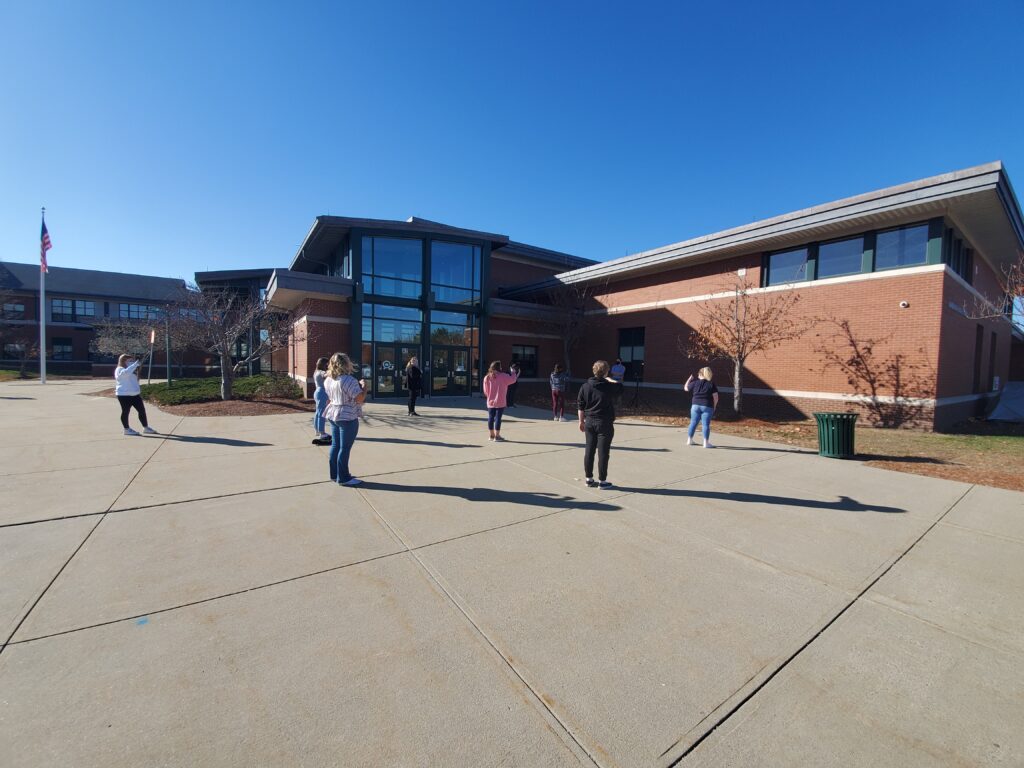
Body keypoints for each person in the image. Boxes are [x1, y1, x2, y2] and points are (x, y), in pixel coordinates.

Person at [576, 360, 623, 488]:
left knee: (589, 450)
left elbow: (580, 406)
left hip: (590, 422)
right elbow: (620, 387)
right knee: (603, 452)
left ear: (594, 370)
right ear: (606, 371)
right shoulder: (609, 386)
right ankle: (602, 481)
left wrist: (581, 421)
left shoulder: (585, 386)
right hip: (605, 423)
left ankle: (589, 478)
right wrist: (610, 379)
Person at [324, 352, 367, 486]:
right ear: (346, 364)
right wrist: (365, 387)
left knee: (336, 446)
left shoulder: (328, 379)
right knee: (345, 448)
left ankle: (335, 474)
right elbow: (359, 398)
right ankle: (343, 478)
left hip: (333, 414)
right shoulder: (349, 380)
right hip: (347, 416)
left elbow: (330, 398)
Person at [114, 353, 157, 436]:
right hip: (124, 395)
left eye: (132, 361)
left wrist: (137, 368)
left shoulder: (132, 370)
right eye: (130, 361)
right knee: (125, 411)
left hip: (135, 394)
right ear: (124, 360)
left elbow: (133, 380)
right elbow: (124, 374)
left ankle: (146, 427)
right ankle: (126, 429)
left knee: (141, 410)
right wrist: (134, 365)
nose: (131, 362)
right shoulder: (119, 369)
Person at [482, 360, 519, 442]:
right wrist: (513, 372)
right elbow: (513, 380)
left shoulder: (487, 377)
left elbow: (485, 391)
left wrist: (490, 396)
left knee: (491, 417)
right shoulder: (503, 376)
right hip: (500, 400)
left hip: (490, 401)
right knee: (498, 418)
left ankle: (491, 435)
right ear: (498, 367)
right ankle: (497, 436)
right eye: (500, 366)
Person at [685, 366, 720, 448]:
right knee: (705, 425)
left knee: (693, 422)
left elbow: (686, 388)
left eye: (698, 373)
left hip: (695, 405)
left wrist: (689, 379)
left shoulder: (695, 382)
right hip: (707, 406)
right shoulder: (711, 384)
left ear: (701, 374)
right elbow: (716, 397)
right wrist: (714, 406)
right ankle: (706, 443)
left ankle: (689, 440)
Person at [311, 357, 331, 445]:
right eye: (328, 364)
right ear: (324, 364)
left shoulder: (316, 372)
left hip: (318, 392)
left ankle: (317, 430)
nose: (329, 365)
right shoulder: (322, 372)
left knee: (318, 412)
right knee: (322, 413)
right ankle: (322, 433)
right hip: (322, 393)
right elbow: (327, 375)